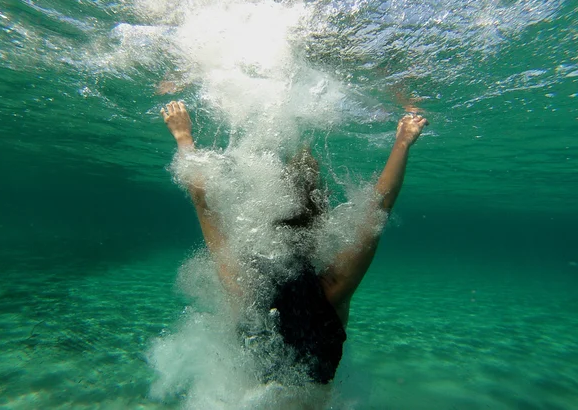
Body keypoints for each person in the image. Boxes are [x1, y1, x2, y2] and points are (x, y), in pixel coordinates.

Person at [160, 100, 428, 386]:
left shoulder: (245, 288)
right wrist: (403, 141)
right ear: (320, 226)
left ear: (265, 220)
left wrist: (183, 136)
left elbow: (204, 202)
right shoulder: (332, 288)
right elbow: (379, 205)